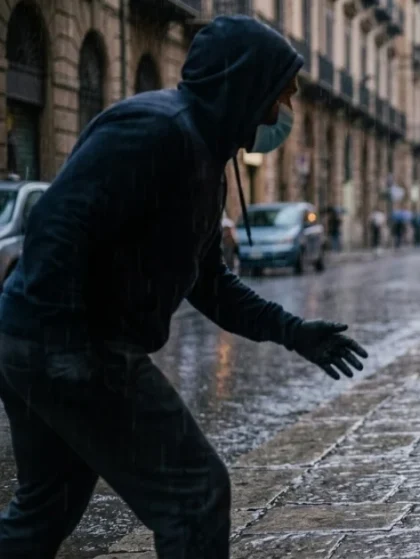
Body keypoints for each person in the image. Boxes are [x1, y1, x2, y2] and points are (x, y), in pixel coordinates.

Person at [0, 16, 368, 558]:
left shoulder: (205, 158)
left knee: (43, 510)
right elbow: (58, 225)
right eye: (280, 95)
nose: (281, 112)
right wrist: (67, 351)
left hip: (46, 344)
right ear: (246, 84)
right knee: (195, 495)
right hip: (69, 346)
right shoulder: (154, 129)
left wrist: (296, 332)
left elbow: (210, 284)